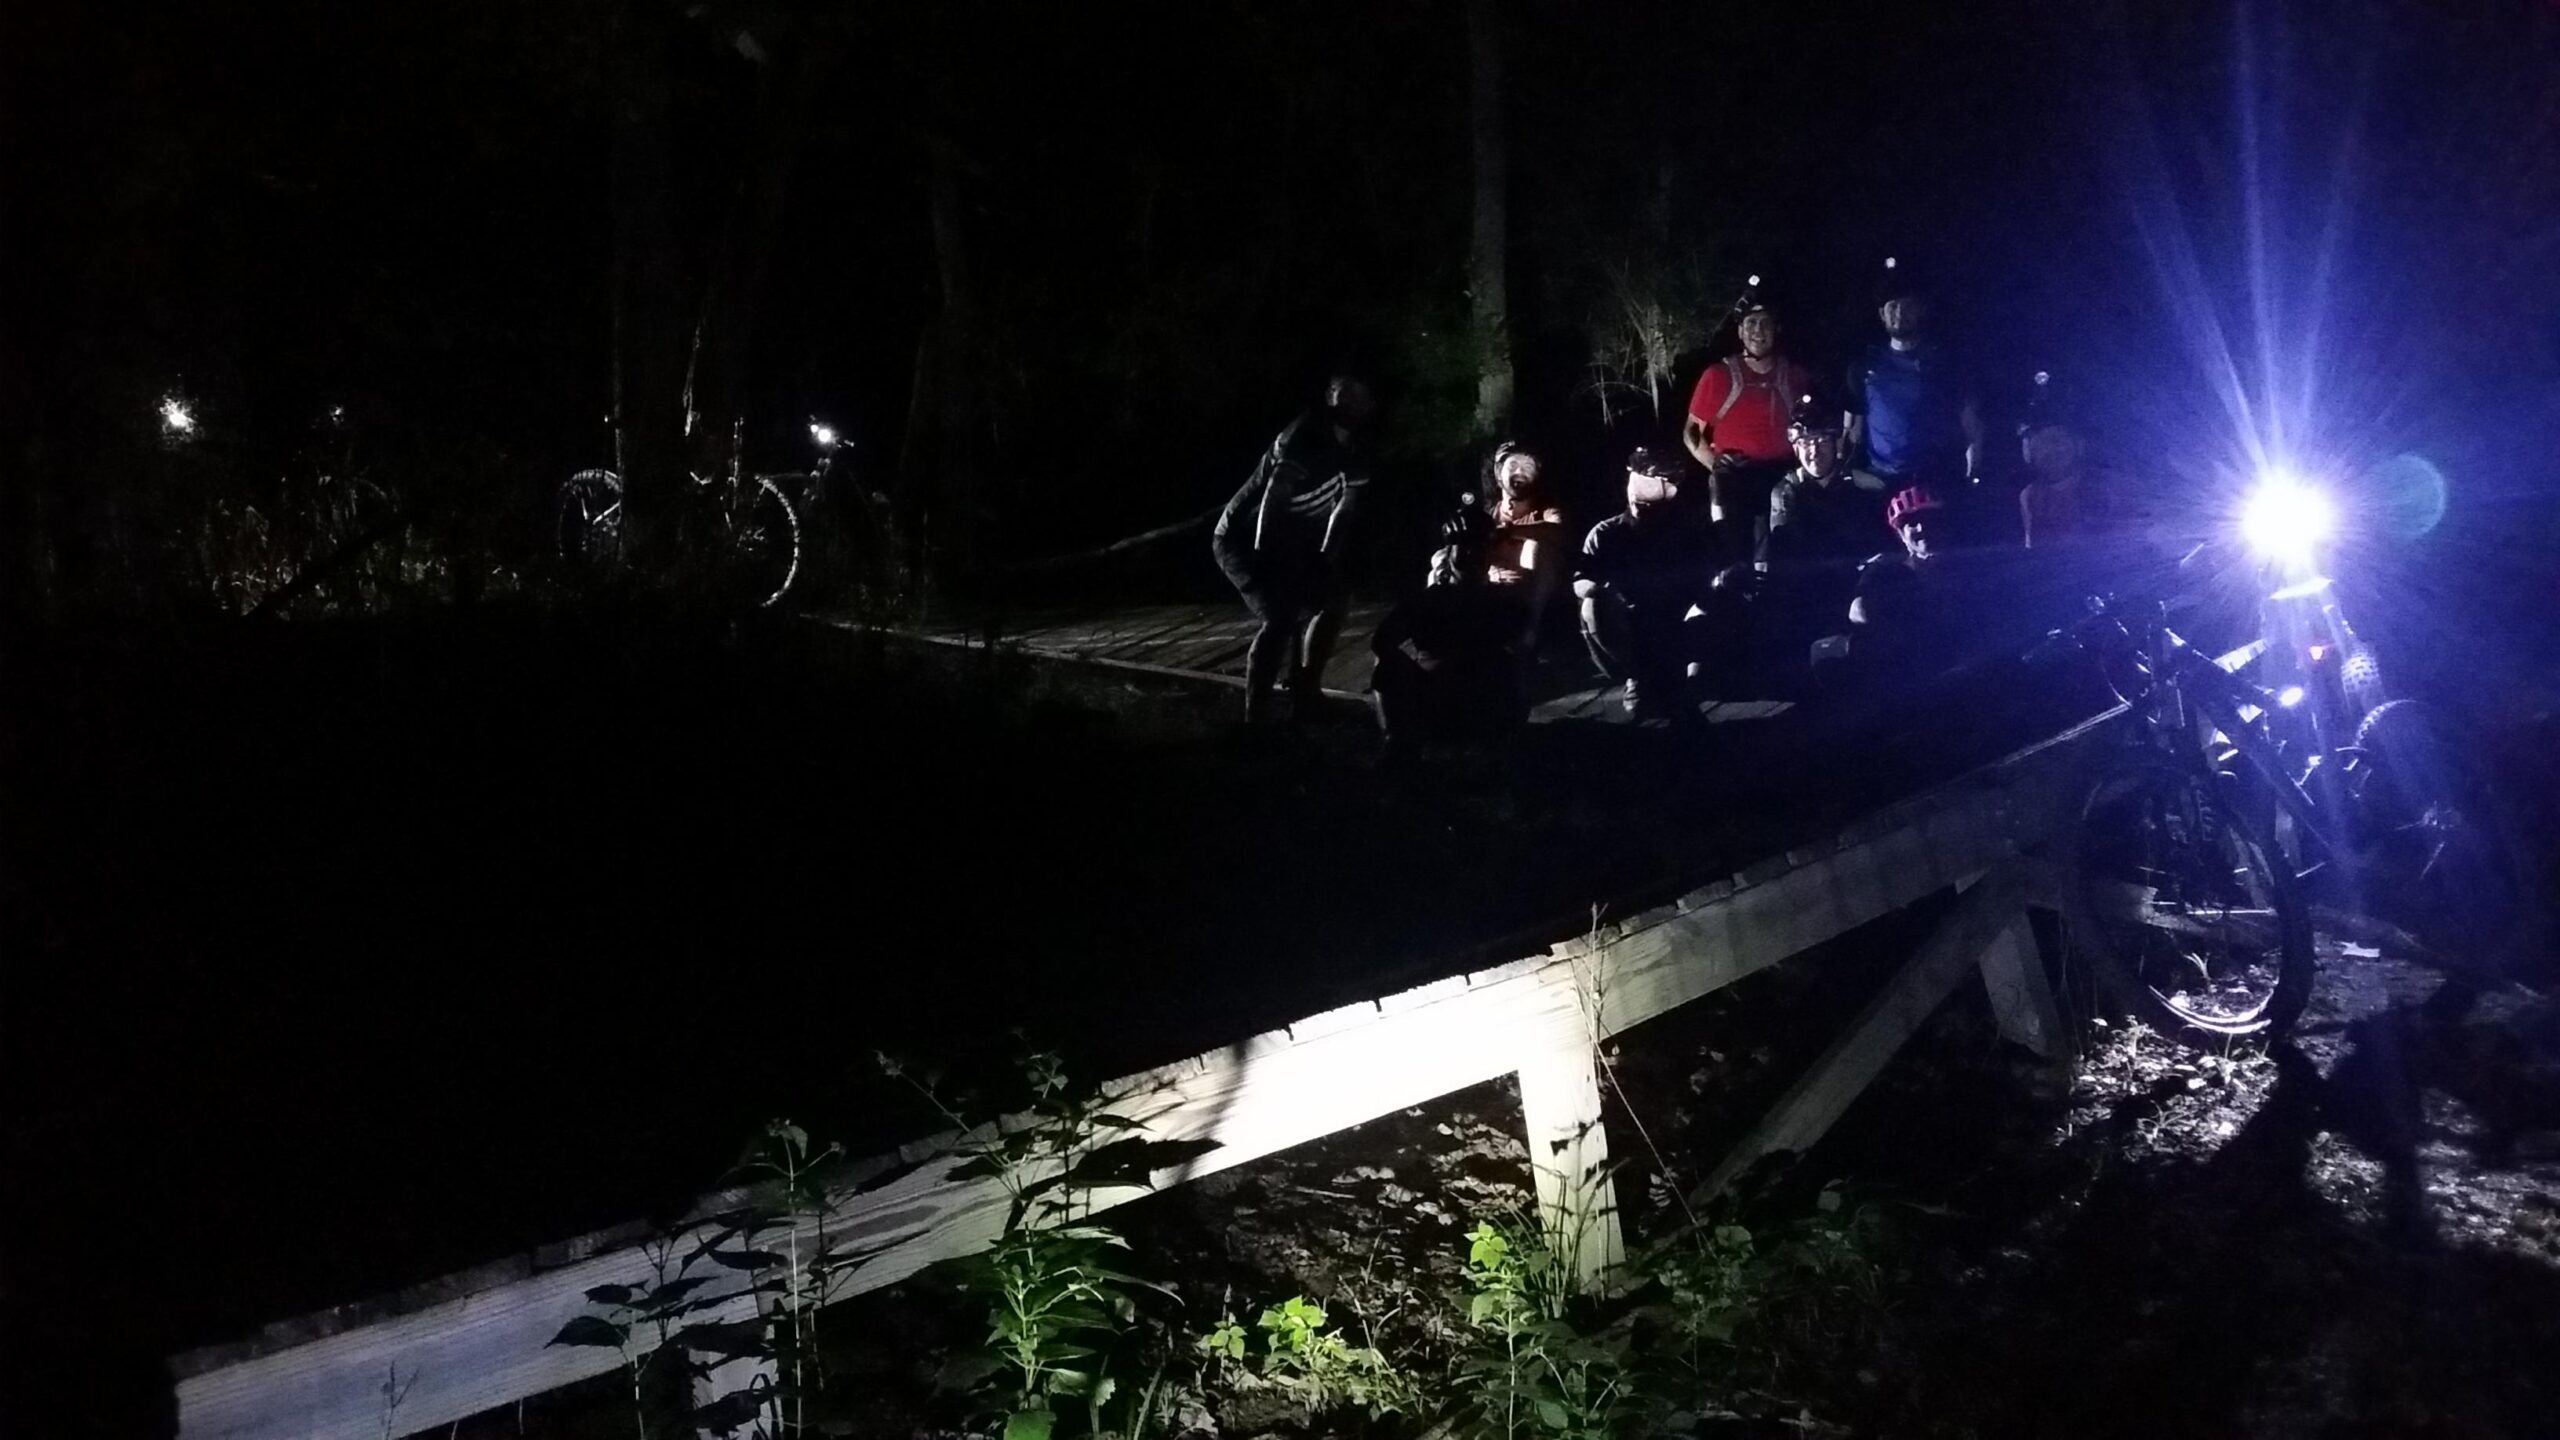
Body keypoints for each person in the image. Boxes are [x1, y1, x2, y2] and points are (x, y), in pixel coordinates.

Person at [1212, 375, 1375, 721]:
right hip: (1242, 536)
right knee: (1280, 617)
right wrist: (1263, 556)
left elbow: (1345, 508)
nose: (1350, 402)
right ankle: (1255, 717)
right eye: (1342, 393)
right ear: (1330, 397)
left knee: (1333, 601)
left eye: (1358, 394)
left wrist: (1324, 560)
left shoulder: (1359, 448)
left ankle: (1306, 691)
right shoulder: (1306, 434)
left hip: (1295, 540)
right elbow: (1273, 497)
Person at [1369, 523, 1529, 766]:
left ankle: (1499, 747)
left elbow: (1520, 646)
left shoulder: (1502, 600)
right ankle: (1396, 742)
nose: (1474, 555)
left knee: (1518, 664)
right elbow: (1382, 641)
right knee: (1386, 666)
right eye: (1465, 548)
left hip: (1481, 699)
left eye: (1480, 549)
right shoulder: (1429, 598)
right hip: (1430, 693)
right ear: (1450, 553)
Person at [1575, 447, 1715, 721]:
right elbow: (1581, 581)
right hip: (1630, 627)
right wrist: (1601, 589)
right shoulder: (1606, 533)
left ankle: (1690, 676)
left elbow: (1706, 577)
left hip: (1676, 623)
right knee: (1592, 606)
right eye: (1638, 480)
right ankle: (1635, 677)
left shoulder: (1686, 531)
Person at [1684, 302, 1814, 568]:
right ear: (1741, 332)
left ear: (1776, 330)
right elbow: (1691, 432)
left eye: (1765, 323)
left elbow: (1812, 424)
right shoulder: (1719, 375)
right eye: (1751, 324)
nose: (1758, 331)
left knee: (1783, 553)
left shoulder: (1794, 375)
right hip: (1735, 478)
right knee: (1732, 555)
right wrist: (1715, 464)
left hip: (1781, 473)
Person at [1844, 259, 1982, 494]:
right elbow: (1851, 429)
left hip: (1932, 478)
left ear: (1921, 310)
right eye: (1892, 307)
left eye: (1907, 307)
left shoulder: (1946, 364)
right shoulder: (1864, 365)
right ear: (1882, 314)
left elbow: (1971, 424)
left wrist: (1973, 473)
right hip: (1880, 478)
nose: (1899, 314)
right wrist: (1847, 471)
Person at [1768, 399, 1890, 568]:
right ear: (1796, 450)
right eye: (1806, 443)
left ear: (1836, 444)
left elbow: (1880, 547)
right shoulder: (1785, 492)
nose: (1814, 452)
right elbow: (1784, 555)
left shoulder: (1867, 487)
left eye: (1822, 441)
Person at [1477, 440, 1569, 646]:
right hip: (1491, 594)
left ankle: (1528, 636)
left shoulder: (1548, 512)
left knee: (1536, 545)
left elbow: (1557, 531)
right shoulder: (1486, 517)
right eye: (1513, 465)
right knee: (1441, 559)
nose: (1520, 472)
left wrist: (1509, 531)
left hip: (1538, 605)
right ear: (1499, 472)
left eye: (1528, 467)